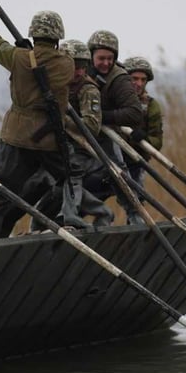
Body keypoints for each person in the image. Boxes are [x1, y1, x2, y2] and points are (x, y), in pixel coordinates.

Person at [0, 0, 88, 239]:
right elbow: (50, 62)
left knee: (0, 192)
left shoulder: (18, 58)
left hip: (16, 137)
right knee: (72, 175)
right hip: (50, 139)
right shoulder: (67, 63)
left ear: (33, 33)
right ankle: (70, 217)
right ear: (58, 37)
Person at [29, 39, 114, 231]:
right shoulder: (54, 84)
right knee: (40, 182)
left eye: (83, 67)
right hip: (52, 146)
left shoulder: (87, 89)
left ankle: (92, 213)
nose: (79, 72)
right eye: (74, 66)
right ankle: (39, 222)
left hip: (78, 149)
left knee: (66, 178)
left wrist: (62, 120)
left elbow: (91, 126)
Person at [82, 30, 145, 225]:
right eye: (101, 58)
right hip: (79, 132)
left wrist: (101, 118)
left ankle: (135, 216)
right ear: (91, 56)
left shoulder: (119, 77)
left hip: (106, 134)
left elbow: (134, 114)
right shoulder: (79, 70)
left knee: (119, 173)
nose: (106, 63)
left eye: (110, 58)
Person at [123, 56, 164, 188]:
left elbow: (157, 142)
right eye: (134, 79)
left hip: (135, 161)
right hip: (107, 159)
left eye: (143, 80)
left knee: (136, 199)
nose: (139, 83)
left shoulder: (151, 106)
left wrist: (144, 138)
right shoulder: (112, 98)